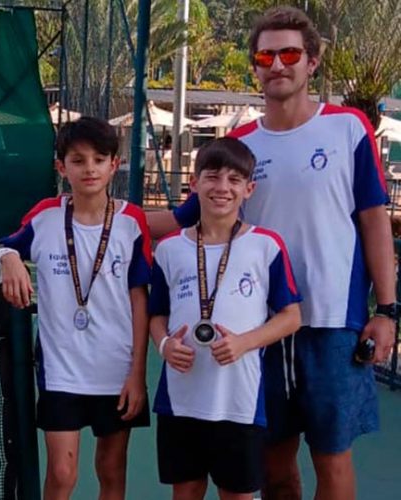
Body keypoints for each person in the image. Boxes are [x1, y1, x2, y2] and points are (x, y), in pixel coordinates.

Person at [147, 7, 396, 499]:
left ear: (312, 62)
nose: (277, 64)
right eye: (266, 56)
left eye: (290, 54)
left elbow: (374, 219)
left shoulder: (349, 128)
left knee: (332, 459)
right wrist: (100, 211)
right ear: (255, 67)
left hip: (333, 323)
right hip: (257, 330)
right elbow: (180, 219)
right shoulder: (238, 146)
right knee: (273, 464)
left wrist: (386, 310)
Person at [0, 117, 151, 499]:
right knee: (62, 474)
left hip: (116, 369)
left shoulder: (132, 221)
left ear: (114, 165)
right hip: (61, 370)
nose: (89, 169)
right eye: (78, 160)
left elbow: (139, 298)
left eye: (99, 159)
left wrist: (137, 374)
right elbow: (3, 248)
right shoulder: (45, 216)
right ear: (61, 167)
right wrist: (8, 257)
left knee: (111, 469)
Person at [149, 138, 302, 500]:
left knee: (237, 494)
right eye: (213, 176)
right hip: (181, 398)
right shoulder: (169, 249)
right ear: (194, 183)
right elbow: (157, 314)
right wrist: (165, 344)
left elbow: (291, 316)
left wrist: (244, 343)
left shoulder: (266, 245)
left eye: (234, 180)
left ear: (249, 189)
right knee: (185, 491)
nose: (222, 187)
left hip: (239, 400)